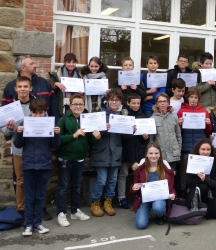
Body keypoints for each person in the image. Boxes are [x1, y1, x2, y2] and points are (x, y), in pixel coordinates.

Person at [13, 99, 61, 236]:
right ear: (31, 112)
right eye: (36, 113)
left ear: (45, 112)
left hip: (44, 165)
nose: (38, 116)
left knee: (40, 196)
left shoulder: (50, 125)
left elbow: (55, 145)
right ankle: (28, 225)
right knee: (30, 197)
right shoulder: (24, 123)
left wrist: (57, 134)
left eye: (41, 113)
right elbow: (18, 144)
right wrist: (19, 132)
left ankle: (38, 223)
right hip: (28, 165)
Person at [56, 93, 100, 227]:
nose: (78, 106)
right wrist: (74, 135)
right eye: (75, 104)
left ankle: (75, 211)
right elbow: (57, 140)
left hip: (80, 158)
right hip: (65, 158)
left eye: (81, 104)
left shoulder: (87, 119)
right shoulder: (63, 119)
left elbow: (91, 140)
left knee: (76, 186)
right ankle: (61, 213)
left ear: (84, 105)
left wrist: (97, 137)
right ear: (70, 105)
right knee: (63, 187)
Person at [0, 76, 35, 218]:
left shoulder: (37, 104)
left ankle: (38, 207)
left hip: (35, 148)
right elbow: (4, 130)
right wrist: (9, 128)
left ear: (30, 88)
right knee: (20, 180)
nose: (23, 89)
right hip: (18, 150)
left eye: (25, 86)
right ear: (15, 89)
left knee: (36, 180)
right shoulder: (10, 108)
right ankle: (21, 208)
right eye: (20, 87)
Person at [90, 88, 126, 217]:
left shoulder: (123, 115)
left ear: (120, 101)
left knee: (113, 180)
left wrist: (131, 129)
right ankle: (95, 202)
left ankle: (108, 202)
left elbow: (125, 137)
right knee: (101, 180)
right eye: (111, 99)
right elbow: (92, 132)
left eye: (117, 100)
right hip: (102, 152)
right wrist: (104, 129)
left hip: (116, 152)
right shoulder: (99, 113)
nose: (114, 102)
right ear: (107, 100)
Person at [130, 143, 176, 229]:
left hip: (159, 197)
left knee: (158, 207)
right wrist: (133, 187)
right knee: (140, 225)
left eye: (156, 153)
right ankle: (147, 210)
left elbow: (170, 187)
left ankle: (160, 215)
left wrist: (172, 194)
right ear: (146, 154)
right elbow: (134, 186)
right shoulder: (140, 169)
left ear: (160, 154)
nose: (153, 156)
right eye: (151, 153)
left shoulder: (165, 169)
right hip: (145, 199)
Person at [2, 55, 59, 121]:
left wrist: (55, 125)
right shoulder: (10, 87)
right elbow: (5, 112)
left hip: (43, 128)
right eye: (31, 64)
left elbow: (54, 107)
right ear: (23, 68)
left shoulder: (44, 83)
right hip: (20, 129)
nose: (35, 66)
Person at [118, 94, 149, 209]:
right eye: (133, 103)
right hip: (127, 150)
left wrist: (146, 137)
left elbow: (146, 136)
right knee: (123, 174)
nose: (136, 105)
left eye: (138, 103)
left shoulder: (143, 116)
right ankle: (121, 197)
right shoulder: (124, 117)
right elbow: (121, 136)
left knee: (141, 174)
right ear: (128, 103)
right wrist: (130, 130)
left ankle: (141, 196)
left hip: (139, 150)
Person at [184, 138, 216, 220]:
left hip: (211, 192)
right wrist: (200, 179)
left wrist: (205, 179)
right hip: (194, 190)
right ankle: (197, 206)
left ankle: (206, 207)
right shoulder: (191, 160)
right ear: (198, 150)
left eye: (208, 149)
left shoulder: (215, 162)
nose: (206, 152)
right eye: (203, 149)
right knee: (203, 186)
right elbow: (187, 182)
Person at [177, 87, 212, 170]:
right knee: (186, 172)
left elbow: (208, 131)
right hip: (186, 146)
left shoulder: (204, 111)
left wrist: (208, 124)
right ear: (187, 97)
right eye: (191, 97)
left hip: (201, 147)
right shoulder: (181, 111)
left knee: (201, 170)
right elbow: (178, 131)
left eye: (196, 97)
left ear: (198, 98)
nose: (193, 99)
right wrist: (179, 124)